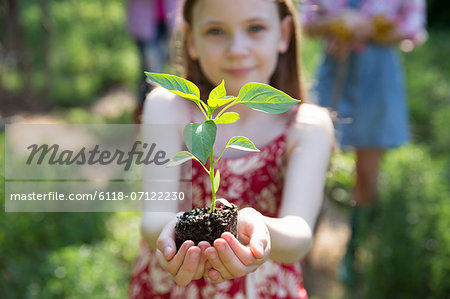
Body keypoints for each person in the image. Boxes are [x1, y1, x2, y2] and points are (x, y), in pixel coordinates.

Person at [129, 0, 334, 297]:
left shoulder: (306, 126)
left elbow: (299, 235)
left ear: (284, 34)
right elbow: (154, 219)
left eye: (255, 28)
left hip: (262, 287)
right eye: (215, 31)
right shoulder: (167, 107)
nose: (237, 49)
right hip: (172, 283)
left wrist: (253, 226)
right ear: (191, 41)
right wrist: (175, 233)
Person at [302, 0, 426, 285]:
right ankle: (302, 245)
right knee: (313, 159)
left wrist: (370, 28)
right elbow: (307, 20)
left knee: (368, 174)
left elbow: (413, 26)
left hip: (378, 72)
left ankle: (354, 254)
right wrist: (337, 24)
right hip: (335, 67)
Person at [126, 0, 179, 123]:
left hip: (169, 19)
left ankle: (144, 119)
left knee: (154, 74)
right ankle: (148, 119)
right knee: (152, 73)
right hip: (144, 21)